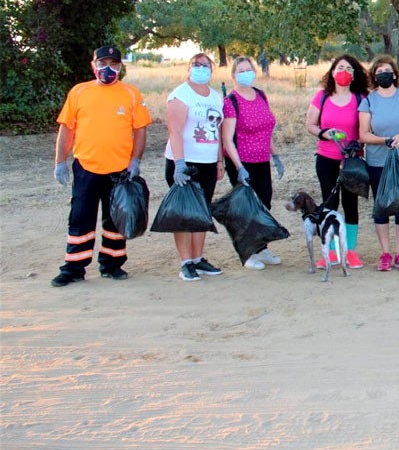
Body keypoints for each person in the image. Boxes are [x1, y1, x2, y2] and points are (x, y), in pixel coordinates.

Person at [50, 45, 151, 287]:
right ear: (93, 66)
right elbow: (66, 128)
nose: (108, 69)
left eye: (113, 64)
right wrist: (60, 161)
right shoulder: (79, 92)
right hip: (86, 167)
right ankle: (74, 267)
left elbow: (140, 130)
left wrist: (135, 160)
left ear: (120, 67)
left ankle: (112, 264)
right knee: (80, 217)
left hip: (119, 170)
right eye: (102, 63)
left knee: (115, 219)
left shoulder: (131, 94)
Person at [165, 52, 226, 281]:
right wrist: (179, 164)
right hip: (184, 162)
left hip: (208, 162)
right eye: (196, 65)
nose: (201, 69)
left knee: (201, 212)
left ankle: (199, 259)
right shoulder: (180, 95)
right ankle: (185, 262)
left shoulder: (215, 96)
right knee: (184, 213)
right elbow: (175, 131)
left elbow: (218, 131)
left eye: (205, 65)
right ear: (189, 68)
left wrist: (220, 160)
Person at [220, 56, 285, 270]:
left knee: (264, 204)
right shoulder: (231, 101)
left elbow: (267, 130)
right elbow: (227, 139)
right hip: (242, 162)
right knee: (246, 209)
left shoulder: (260, 95)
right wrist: (239, 168)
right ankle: (247, 252)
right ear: (233, 75)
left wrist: (275, 157)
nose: (245, 73)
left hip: (261, 160)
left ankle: (261, 247)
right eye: (241, 70)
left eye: (249, 69)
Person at [304, 54, 368, 269]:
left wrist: (357, 143)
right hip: (326, 159)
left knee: (351, 205)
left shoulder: (361, 98)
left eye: (349, 69)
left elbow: (367, 129)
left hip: (351, 162)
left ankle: (350, 251)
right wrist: (324, 133)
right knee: (330, 205)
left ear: (354, 74)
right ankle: (330, 251)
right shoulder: (321, 97)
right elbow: (310, 124)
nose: (344, 72)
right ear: (332, 72)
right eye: (340, 67)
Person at [358, 54, 399, 272]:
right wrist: (383, 141)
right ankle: (385, 253)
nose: (384, 75)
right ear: (374, 76)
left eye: (387, 71)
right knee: (382, 206)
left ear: (395, 74)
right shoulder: (368, 101)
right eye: (379, 72)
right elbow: (363, 134)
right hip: (377, 160)